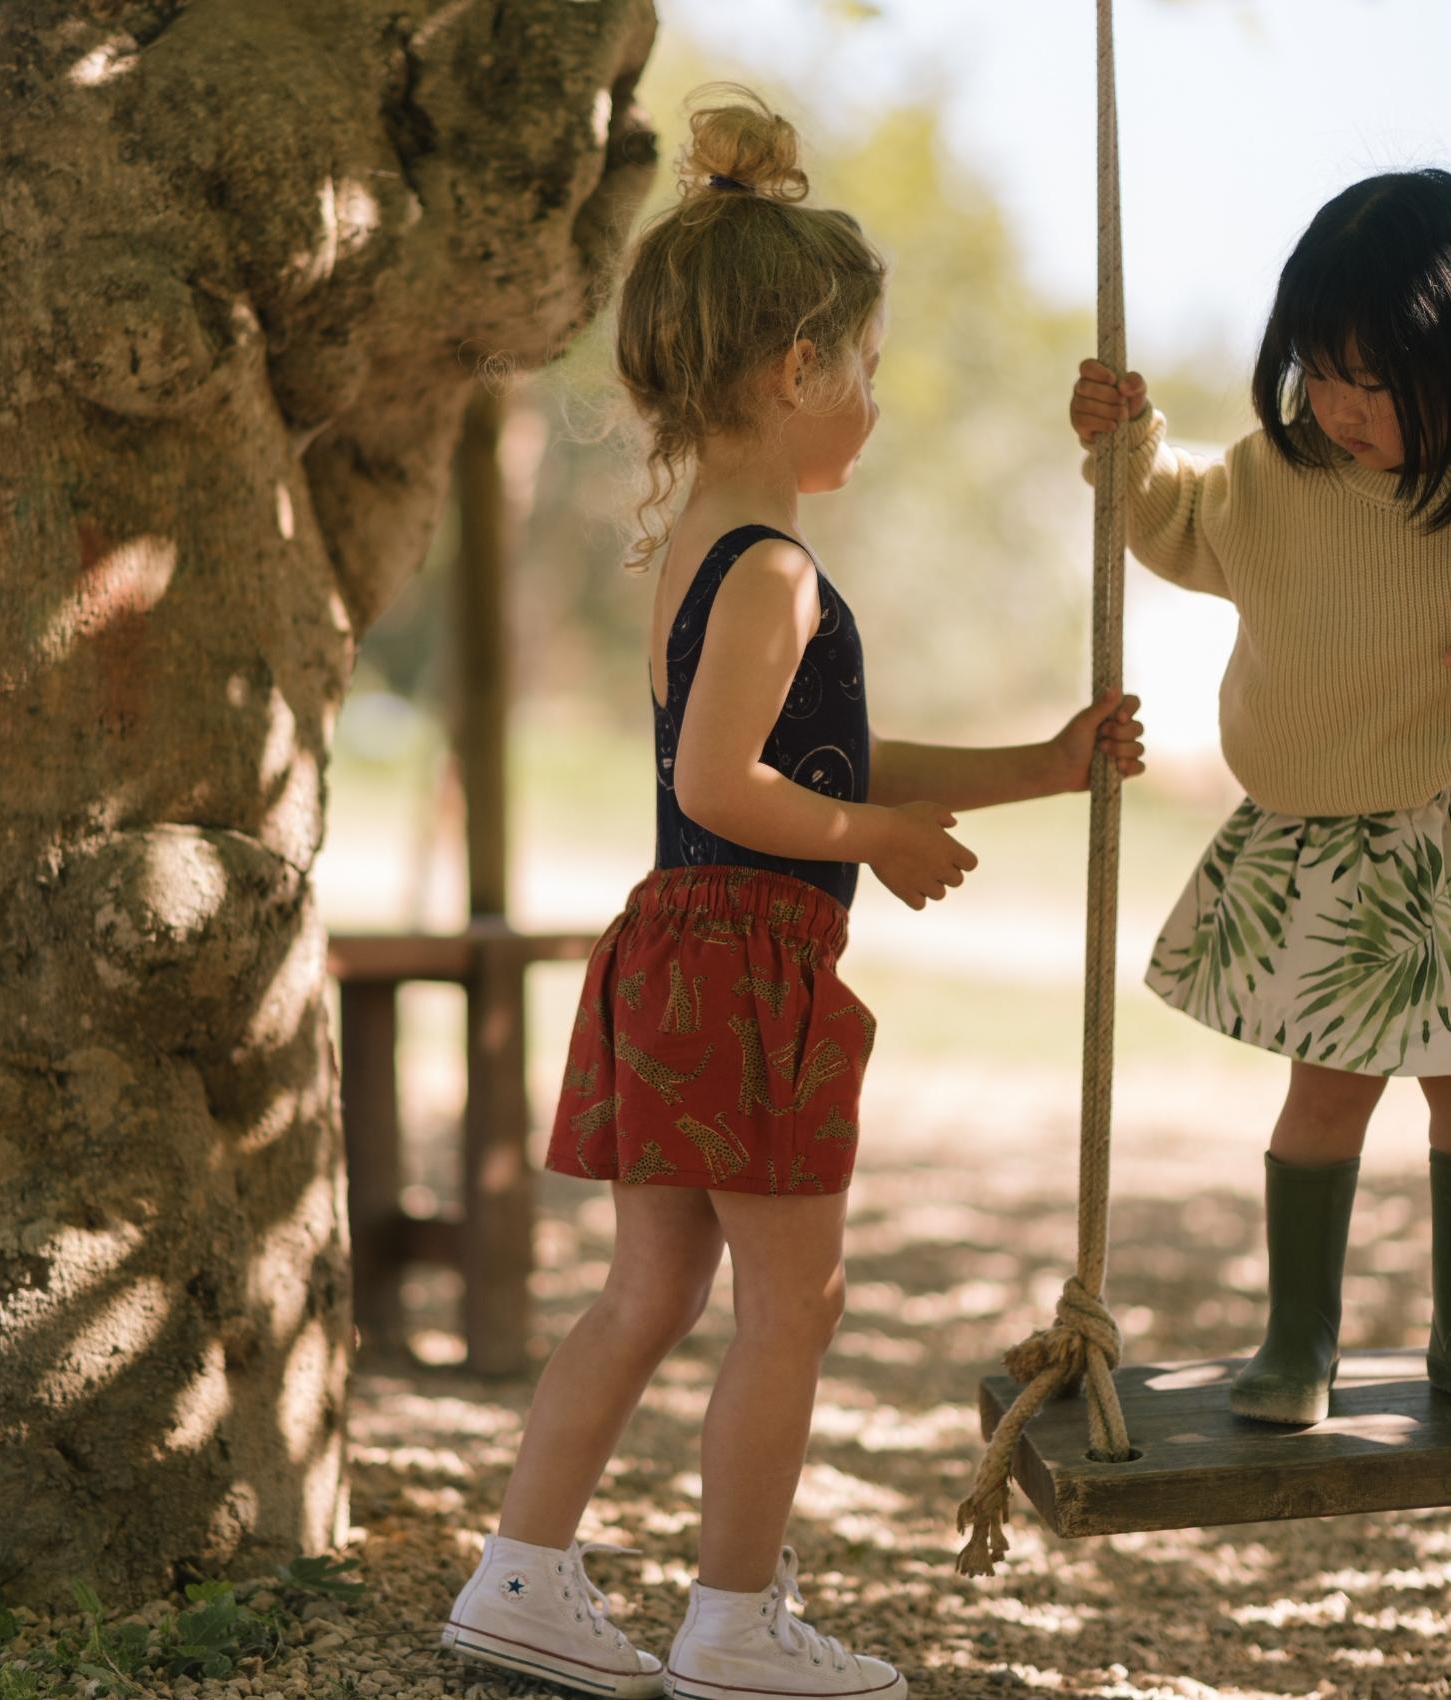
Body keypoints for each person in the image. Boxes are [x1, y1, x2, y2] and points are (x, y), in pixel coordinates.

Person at [440, 84, 1144, 1700]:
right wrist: (877, 841)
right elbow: (726, 787)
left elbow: (815, 755)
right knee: (792, 1302)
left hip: (683, 952)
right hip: (743, 960)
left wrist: (1039, 766)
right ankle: (733, 1619)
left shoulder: (714, 542)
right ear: (796, 371)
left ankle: (523, 1573)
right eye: (869, 371)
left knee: (654, 1291)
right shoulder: (770, 570)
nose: (876, 404)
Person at [1069, 168, 1451, 1428]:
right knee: (1328, 1093)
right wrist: (1121, 440)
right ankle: (1300, 1341)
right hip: (1326, 843)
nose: (1338, 404)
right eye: (1318, 368)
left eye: (1376, 379)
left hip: (1444, 827)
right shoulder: (1273, 477)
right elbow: (1168, 518)